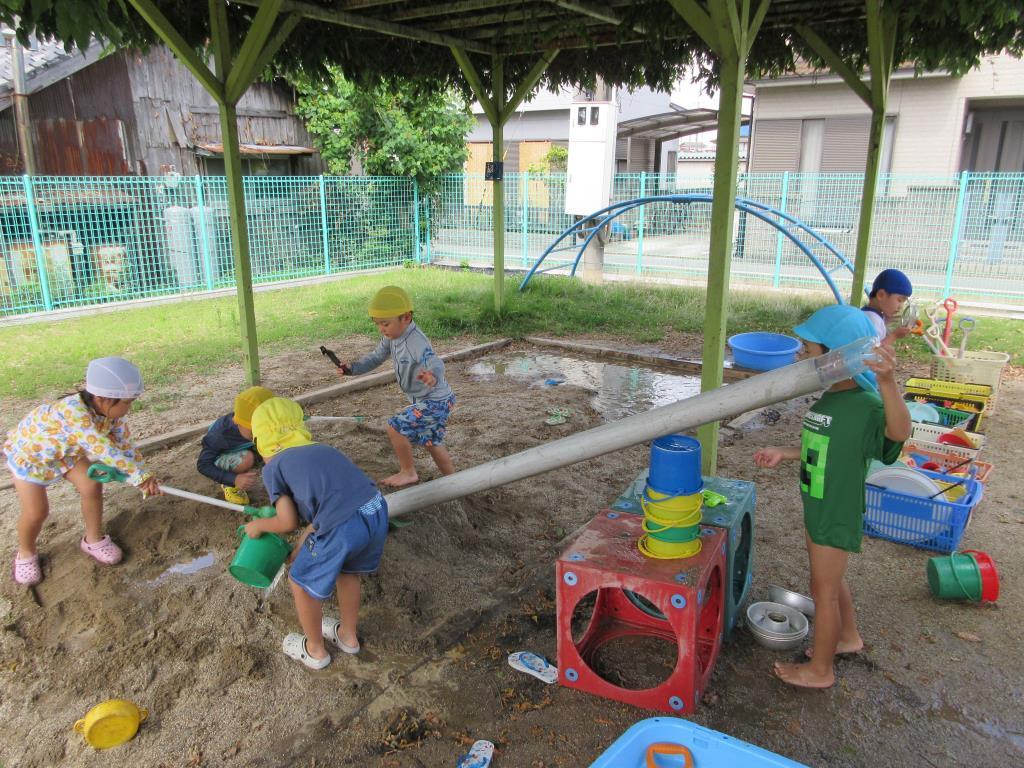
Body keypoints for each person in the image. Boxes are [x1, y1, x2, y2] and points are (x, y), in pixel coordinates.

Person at [753, 305, 911, 689]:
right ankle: (846, 638)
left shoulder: (867, 404)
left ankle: (820, 670)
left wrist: (888, 383)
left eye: (808, 350)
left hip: (836, 509)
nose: (802, 357)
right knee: (831, 581)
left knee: (822, 590)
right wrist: (786, 452)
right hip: (818, 503)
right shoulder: (831, 399)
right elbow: (824, 443)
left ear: (836, 356)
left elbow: (900, 431)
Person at [245, 397, 387, 670]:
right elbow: (323, 512)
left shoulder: (274, 467)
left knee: (299, 583)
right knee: (348, 572)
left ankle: (315, 650)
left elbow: (286, 522)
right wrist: (301, 547)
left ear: (263, 441)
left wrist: (258, 525)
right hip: (375, 509)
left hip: (342, 525)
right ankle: (348, 636)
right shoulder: (322, 450)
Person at [4, 357, 162, 585]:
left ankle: (93, 539)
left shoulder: (111, 414)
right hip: (33, 458)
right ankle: (26, 553)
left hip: (66, 454)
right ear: (102, 398)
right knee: (37, 512)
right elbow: (103, 448)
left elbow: (124, 444)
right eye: (127, 402)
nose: (129, 407)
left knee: (92, 484)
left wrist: (143, 473)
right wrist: (137, 477)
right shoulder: (74, 412)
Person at [338, 285, 456, 488]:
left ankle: (408, 472)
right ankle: (456, 481)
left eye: (385, 324)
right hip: (425, 400)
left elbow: (435, 361)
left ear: (406, 318)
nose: (382, 329)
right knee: (432, 443)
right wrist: (352, 369)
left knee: (395, 427)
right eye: (378, 324)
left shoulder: (415, 341)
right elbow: (376, 357)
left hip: (436, 401)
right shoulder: (392, 337)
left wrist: (432, 375)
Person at [197, 386, 274, 505]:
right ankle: (229, 486)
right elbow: (203, 465)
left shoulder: (254, 425)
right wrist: (233, 479)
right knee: (246, 459)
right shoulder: (219, 436)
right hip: (222, 456)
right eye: (254, 430)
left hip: (245, 446)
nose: (259, 432)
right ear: (238, 422)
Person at [863, 268, 913, 343]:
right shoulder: (874, 320)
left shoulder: (867, 314)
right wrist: (894, 336)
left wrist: (884, 322)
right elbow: (872, 351)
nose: (901, 307)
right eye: (899, 300)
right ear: (881, 295)